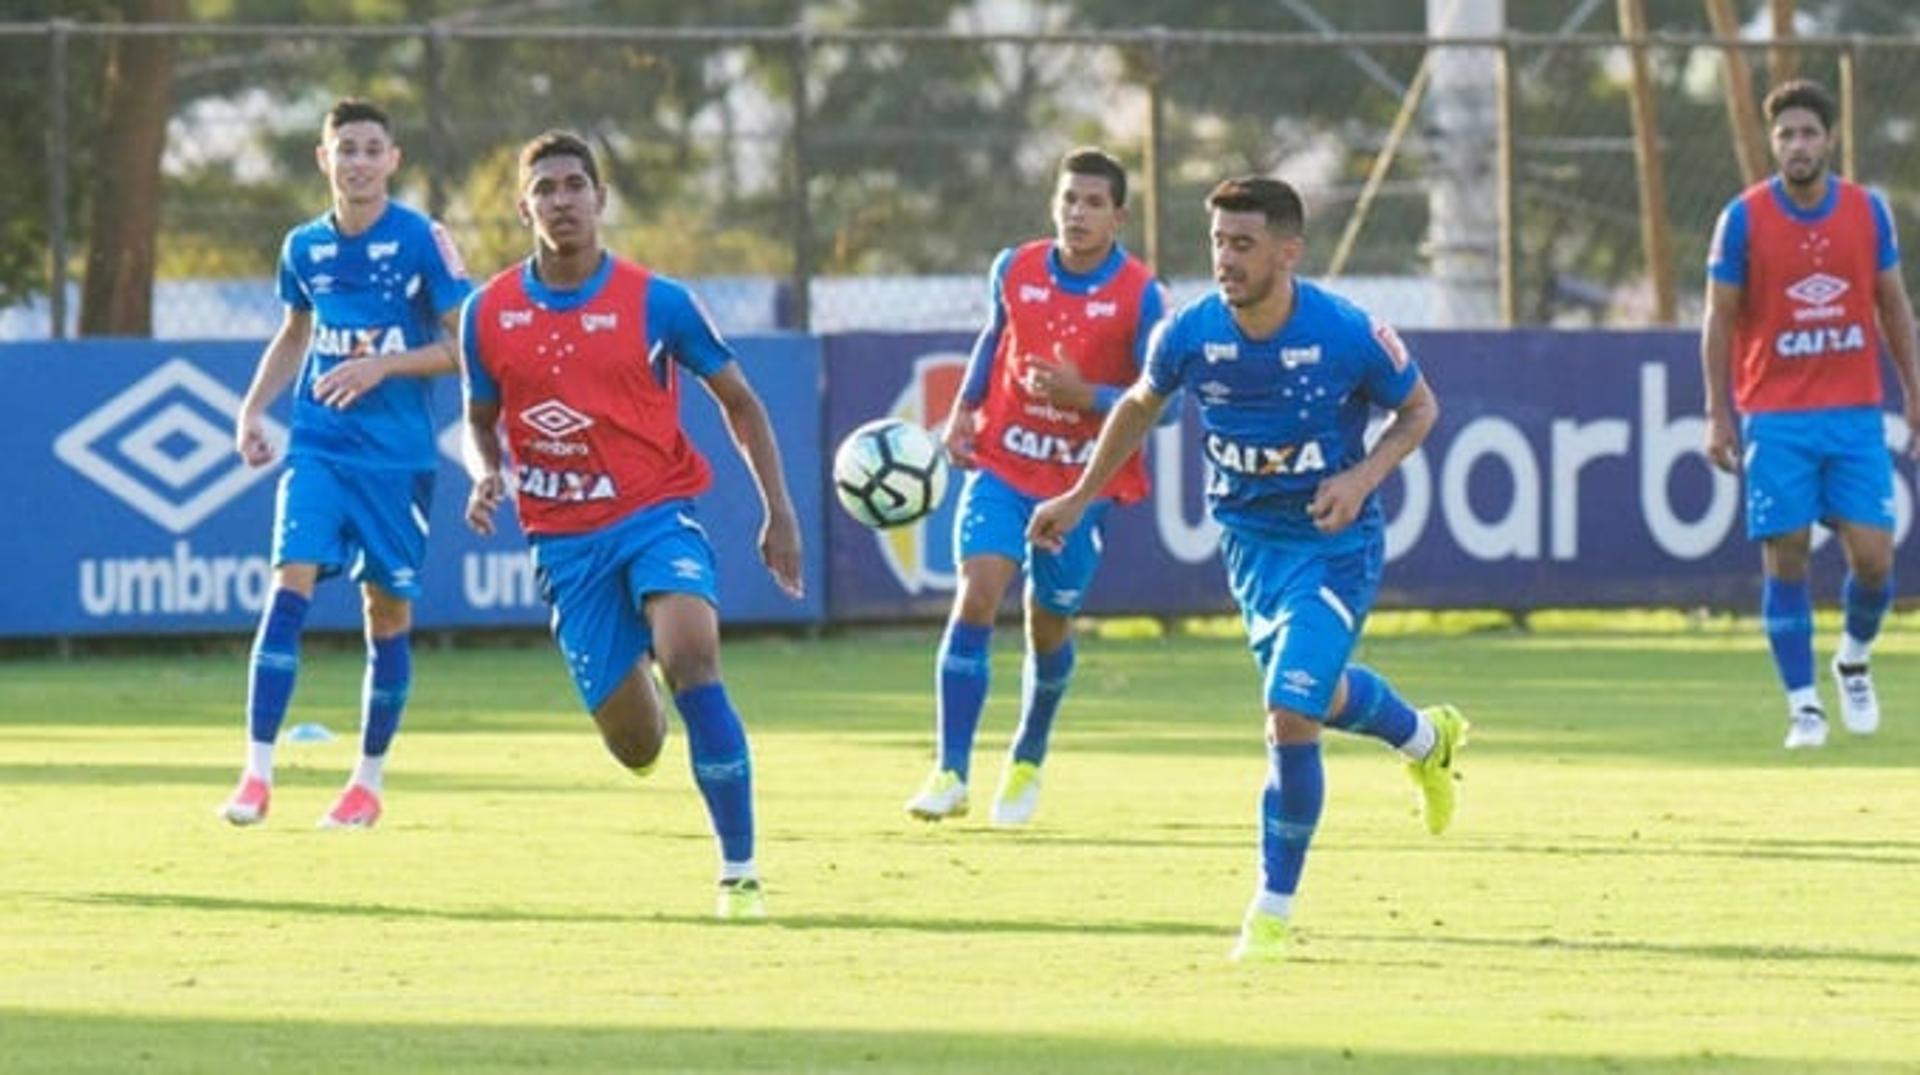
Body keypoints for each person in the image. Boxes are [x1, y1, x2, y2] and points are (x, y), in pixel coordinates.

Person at [1028, 177, 1468, 962]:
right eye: (1218, 243)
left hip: (1335, 547)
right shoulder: (1190, 332)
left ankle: (1270, 909)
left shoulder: (1345, 332)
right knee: (1316, 693)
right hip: (1250, 549)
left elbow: (1421, 409)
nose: (1225, 260)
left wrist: (1362, 476)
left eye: (1243, 244)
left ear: (1288, 251)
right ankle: (1426, 737)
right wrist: (1079, 493)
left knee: (1288, 709)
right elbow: (1138, 403)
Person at [459, 131, 803, 919]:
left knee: (693, 655)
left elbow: (740, 403)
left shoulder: (659, 301)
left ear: (601, 198)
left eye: (576, 184)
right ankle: (631, 663)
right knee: (637, 745)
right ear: (523, 207)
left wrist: (777, 509)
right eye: (545, 187)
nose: (563, 199)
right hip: (565, 544)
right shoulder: (490, 313)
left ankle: (739, 872)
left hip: (655, 514)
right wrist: (488, 472)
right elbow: (479, 419)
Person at [219, 98, 470, 830]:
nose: (358, 161)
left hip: (398, 462)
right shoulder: (302, 247)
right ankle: (256, 774)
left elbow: (465, 347)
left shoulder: (423, 240)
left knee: (385, 612)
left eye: (371, 148)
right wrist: (251, 410)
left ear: (393, 160)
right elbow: (295, 331)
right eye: (346, 148)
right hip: (320, 447)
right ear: (323, 159)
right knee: (287, 585)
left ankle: (366, 781)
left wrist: (385, 366)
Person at [905, 147, 1170, 826]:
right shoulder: (1015, 267)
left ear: (1119, 216)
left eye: (1092, 202)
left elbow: (1164, 400)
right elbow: (995, 338)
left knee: (1047, 622)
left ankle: (1027, 753)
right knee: (978, 593)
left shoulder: (1142, 294)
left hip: (1081, 485)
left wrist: (1091, 395)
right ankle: (950, 771)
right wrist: (965, 408)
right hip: (1005, 465)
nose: (1076, 213)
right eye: (1068, 198)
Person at [1702, 78, 1920, 750]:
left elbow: (1893, 306)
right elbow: (1719, 318)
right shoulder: (1743, 217)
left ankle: (1853, 657)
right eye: (1785, 134)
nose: (1797, 145)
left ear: (1830, 140)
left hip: (1855, 411)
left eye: (1808, 133)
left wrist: (1914, 391)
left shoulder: (1867, 212)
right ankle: (1804, 707)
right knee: (1787, 553)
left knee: (1876, 559)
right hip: (1776, 413)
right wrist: (1718, 412)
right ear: (1773, 143)